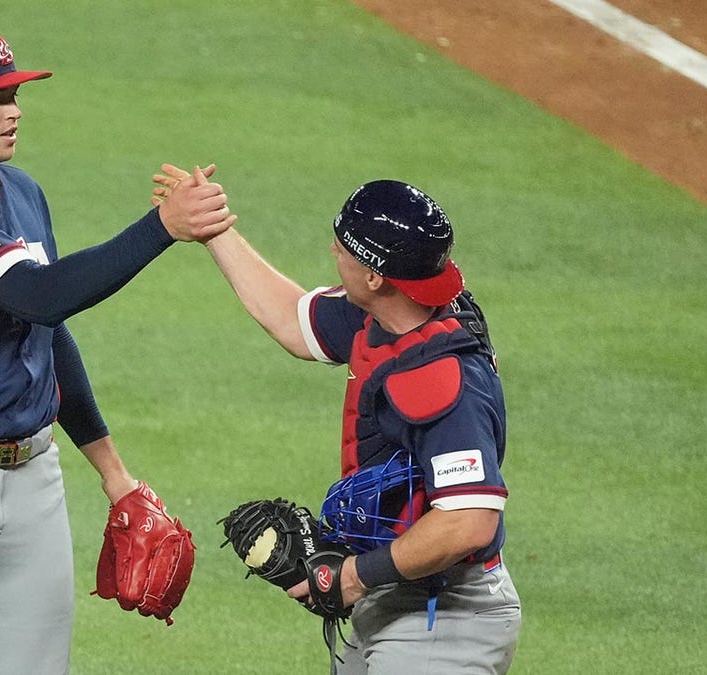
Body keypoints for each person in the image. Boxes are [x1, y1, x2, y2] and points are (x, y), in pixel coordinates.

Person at [0, 28, 234, 675]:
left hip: (33, 482)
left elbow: (46, 334)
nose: (14, 109)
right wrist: (162, 227)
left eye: (15, 94)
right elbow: (38, 295)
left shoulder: (23, 194)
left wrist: (116, 475)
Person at [155, 169, 521, 673]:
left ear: (375, 276)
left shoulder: (439, 378)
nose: (334, 253)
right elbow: (292, 319)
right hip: (401, 602)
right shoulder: (401, 311)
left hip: (445, 620)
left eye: (343, 247)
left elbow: (468, 522)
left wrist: (353, 575)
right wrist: (213, 228)